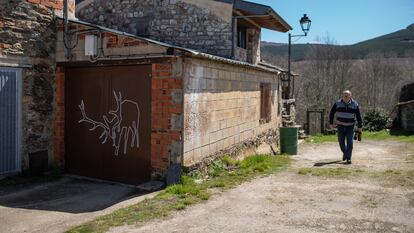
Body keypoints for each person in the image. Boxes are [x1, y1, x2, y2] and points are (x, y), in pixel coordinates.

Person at [329, 90, 363, 164]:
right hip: (340, 126)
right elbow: (331, 113)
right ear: (342, 96)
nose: (346, 96)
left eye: (347, 95)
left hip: (350, 126)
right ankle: (345, 153)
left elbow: (358, 116)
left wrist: (360, 126)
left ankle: (349, 158)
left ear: (350, 96)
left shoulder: (355, 104)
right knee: (341, 142)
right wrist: (331, 123)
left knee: (350, 142)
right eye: (344, 95)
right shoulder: (337, 103)